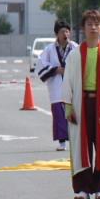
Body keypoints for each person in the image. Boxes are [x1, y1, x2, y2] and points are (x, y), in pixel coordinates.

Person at [62, 10, 100, 199]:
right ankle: (82, 188)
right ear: (83, 28)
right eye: (89, 24)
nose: (93, 27)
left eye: (97, 24)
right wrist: (68, 106)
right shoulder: (74, 55)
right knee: (81, 146)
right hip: (81, 104)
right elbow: (67, 81)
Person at [36, 19, 77, 151]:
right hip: (57, 86)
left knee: (75, 113)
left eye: (67, 31)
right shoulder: (49, 49)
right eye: (62, 32)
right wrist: (55, 69)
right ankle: (62, 142)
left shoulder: (75, 47)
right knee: (59, 114)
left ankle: (75, 140)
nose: (65, 34)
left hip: (72, 85)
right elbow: (41, 64)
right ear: (57, 34)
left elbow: (83, 63)